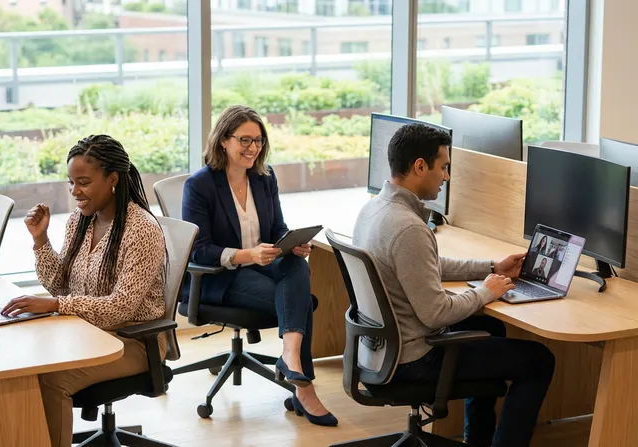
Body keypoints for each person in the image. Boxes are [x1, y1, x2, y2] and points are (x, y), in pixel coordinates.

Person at [352, 123, 555, 447]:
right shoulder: (408, 228)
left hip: (380, 352)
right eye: (443, 167)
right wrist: (486, 291)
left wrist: (492, 267)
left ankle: (477, 439)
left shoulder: (375, 209)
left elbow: (423, 266)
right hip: (413, 361)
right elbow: (435, 313)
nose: (446, 177)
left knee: (489, 325)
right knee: (539, 360)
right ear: (420, 166)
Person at [0, 134, 168, 447]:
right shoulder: (81, 219)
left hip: (133, 340)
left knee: (51, 380)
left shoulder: (141, 229)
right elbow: (60, 284)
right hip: (86, 332)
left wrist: (54, 306)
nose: (75, 192)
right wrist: (40, 240)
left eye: (84, 182)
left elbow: (120, 309)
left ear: (113, 179)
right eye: (71, 182)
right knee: (18, 365)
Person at [181, 105, 337, 427]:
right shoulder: (200, 185)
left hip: (263, 266)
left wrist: (291, 243)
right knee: (302, 302)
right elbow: (198, 250)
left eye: (259, 140)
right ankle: (303, 388)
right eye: (245, 140)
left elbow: (277, 227)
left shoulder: (264, 178)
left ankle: (290, 356)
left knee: (296, 266)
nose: (253, 148)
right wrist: (246, 255)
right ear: (224, 140)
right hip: (221, 277)